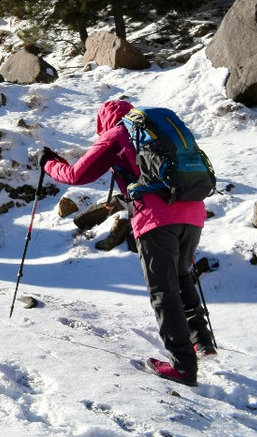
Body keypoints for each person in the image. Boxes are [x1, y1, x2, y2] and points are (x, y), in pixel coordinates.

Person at [41, 99, 216, 386]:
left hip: (156, 218)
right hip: (193, 209)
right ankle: (201, 341)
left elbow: (75, 175)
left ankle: (183, 366)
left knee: (163, 289)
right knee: (182, 275)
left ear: (103, 121)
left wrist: (48, 163)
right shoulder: (155, 130)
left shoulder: (116, 134)